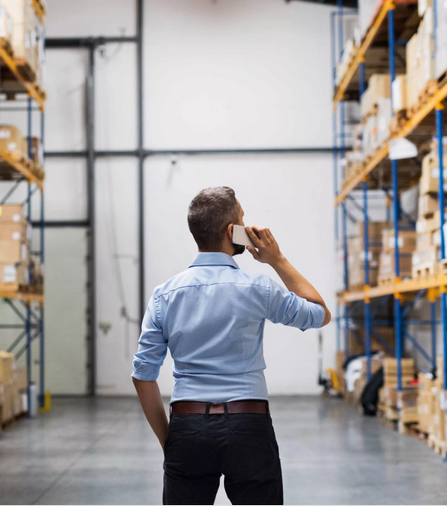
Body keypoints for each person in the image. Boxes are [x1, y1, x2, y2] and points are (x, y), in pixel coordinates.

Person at [132, 186, 331, 505]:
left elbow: (142, 375)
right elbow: (319, 313)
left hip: (188, 425)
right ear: (232, 231)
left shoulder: (164, 295)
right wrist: (277, 259)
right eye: (242, 219)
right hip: (248, 426)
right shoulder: (258, 289)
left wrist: (170, 439)